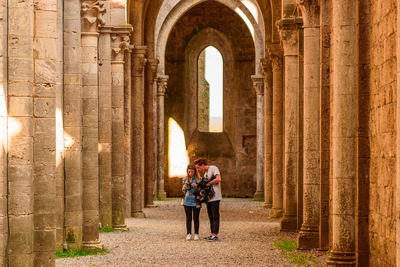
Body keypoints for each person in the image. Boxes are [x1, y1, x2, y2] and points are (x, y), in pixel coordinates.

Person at [194, 158, 221, 242]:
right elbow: (206, 187)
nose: (198, 170)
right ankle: (212, 233)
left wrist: (209, 183)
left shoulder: (213, 168)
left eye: (198, 167)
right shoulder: (205, 174)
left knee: (215, 215)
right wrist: (202, 192)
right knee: (210, 216)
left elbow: (218, 179)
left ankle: (215, 235)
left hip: (215, 196)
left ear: (202, 165)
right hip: (209, 198)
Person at [182, 164, 201, 241]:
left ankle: (196, 233)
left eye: (192, 172)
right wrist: (184, 186)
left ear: (195, 171)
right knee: (188, 218)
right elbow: (183, 191)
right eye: (189, 172)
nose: (190, 173)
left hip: (196, 200)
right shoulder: (185, 179)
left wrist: (196, 186)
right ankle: (188, 233)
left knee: (196, 218)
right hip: (187, 200)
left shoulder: (199, 179)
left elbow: (202, 190)